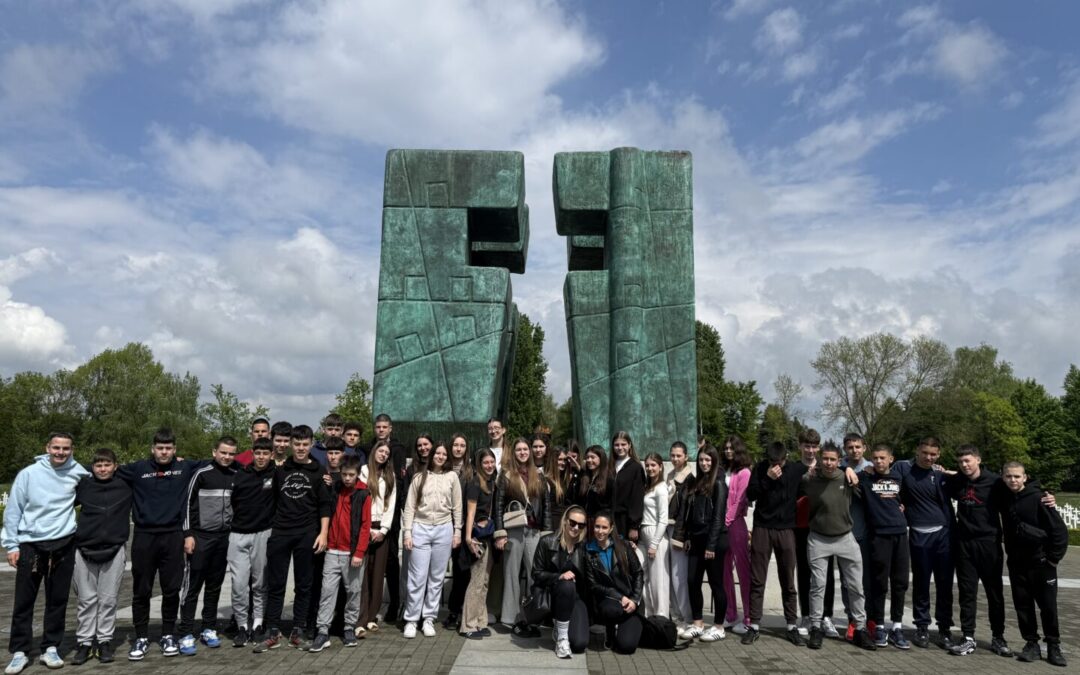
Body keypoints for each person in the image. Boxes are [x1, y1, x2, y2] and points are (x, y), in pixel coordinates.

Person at [116, 428, 209, 661]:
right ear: (153, 449)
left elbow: (219, 461)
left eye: (168, 448)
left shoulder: (184, 467)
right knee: (142, 590)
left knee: (171, 589)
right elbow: (103, 469)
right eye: (160, 448)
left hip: (173, 536)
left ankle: (168, 634)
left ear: (175, 450)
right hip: (144, 537)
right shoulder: (138, 469)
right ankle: (141, 637)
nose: (164, 452)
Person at [3, 432, 89, 674]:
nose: (61, 452)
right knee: (23, 601)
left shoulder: (78, 472)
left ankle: (50, 647)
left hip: (63, 544)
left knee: (58, 600)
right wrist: (12, 545)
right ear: (47, 448)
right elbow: (13, 511)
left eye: (66, 448)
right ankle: (20, 651)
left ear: (72, 450)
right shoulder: (29, 474)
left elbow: (106, 474)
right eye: (56, 448)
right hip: (31, 545)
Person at [253, 425, 332, 653]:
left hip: (307, 534)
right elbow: (272, 497)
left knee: (304, 585)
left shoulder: (318, 471)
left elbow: (324, 505)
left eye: (304, 445)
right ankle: (273, 631)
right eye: (296, 444)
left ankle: (298, 630)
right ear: (290, 445)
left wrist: (323, 533)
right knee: (276, 585)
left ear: (310, 445)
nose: (300, 448)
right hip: (281, 533)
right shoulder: (281, 470)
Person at [801, 443, 875, 651]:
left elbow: (869, 477)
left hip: (845, 538)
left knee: (856, 587)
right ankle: (816, 627)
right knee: (818, 585)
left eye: (833, 459)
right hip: (818, 539)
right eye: (825, 458)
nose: (829, 463)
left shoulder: (847, 477)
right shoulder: (810, 479)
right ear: (820, 458)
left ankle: (860, 629)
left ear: (839, 460)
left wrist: (848, 469)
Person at [944, 444, 1013, 657]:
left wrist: (1045, 495)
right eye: (961, 462)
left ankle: (998, 638)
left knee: (995, 593)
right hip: (964, 545)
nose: (964, 465)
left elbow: (1021, 488)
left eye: (968, 461)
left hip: (989, 544)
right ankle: (968, 637)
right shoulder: (957, 481)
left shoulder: (995, 483)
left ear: (978, 460)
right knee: (967, 593)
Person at [1000, 461, 1068, 667]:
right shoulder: (1004, 497)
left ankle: (1054, 645)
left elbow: (1059, 532)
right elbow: (976, 474)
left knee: (1048, 607)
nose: (1013, 480)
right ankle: (1031, 644)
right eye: (1008, 476)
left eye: (1017, 476)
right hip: (1016, 563)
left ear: (1025, 477)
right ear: (1003, 477)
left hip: (1041, 563)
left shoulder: (1040, 498)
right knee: (1023, 605)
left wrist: (1053, 559)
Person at [178, 436, 239, 655]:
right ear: (214, 452)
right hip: (201, 537)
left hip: (224, 538)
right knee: (192, 586)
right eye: (223, 452)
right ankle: (185, 632)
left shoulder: (235, 476)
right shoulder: (201, 474)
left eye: (231, 454)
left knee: (214, 586)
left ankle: (208, 628)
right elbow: (186, 505)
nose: (227, 457)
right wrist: (188, 534)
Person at [70, 448, 131, 666]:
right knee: (86, 600)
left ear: (115, 466)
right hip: (84, 549)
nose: (102, 469)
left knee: (108, 600)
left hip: (114, 550)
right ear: (92, 467)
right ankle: (85, 642)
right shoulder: (83, 485)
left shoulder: (126, 484)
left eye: (107, 465)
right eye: (98, 465)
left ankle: (104, 641)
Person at [744, 441, 808, 645]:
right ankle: (754, 625)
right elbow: (750, 495)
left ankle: (791, 625)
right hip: (762, 528)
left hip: (786, 529)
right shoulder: (761, 469)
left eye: (778, 462)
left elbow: (817, 469)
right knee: (757, 580)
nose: (775, 466)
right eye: (771, 462)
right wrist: (767, 480)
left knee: (788, 580)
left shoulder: (796, 469)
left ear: (785, 458)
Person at [895, 437, 955, 649]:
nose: (928, 457)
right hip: (919, 534)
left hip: (944, 535)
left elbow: (973, 480)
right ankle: (922, 626)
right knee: (921, 583)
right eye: (925, 453)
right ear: (917, 450)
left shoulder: (939, 474)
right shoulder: (903, 468)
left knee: (945, 584)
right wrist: (898, 505)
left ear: (938, 455)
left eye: (933, 454)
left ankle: (945, 628)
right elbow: (886, 484)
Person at [309, 456, 371, 652]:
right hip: (332, 552)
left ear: (357, 474)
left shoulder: (364, 494)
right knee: (327, 592)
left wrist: (359, 552)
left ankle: (349, 628)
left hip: (351, 553)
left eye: (351, 475)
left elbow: (365, 525)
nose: (347, 478)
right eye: (344, 474)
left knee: (353, 591)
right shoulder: (335, 489)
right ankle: (322, 631)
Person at [401, 441, 462, 638]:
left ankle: (429, 618)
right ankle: (411, 619)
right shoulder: (419, 476)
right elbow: (410, 507)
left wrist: (457, 531)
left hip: (444, 529)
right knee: (417, 578)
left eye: (444, 454)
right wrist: (407, 532)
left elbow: (457, 507)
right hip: (421, 528)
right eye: (438, 453)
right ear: (432, 455)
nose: (441, 456)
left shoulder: (452, 477)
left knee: (436, 578)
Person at [494, 437, 552, 636]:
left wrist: (546, 533)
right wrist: (500, 533)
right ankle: (511, 619)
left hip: (535, 531)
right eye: (518, 449)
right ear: (513, 452)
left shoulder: (539, 476)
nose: (522, 452)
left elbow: (545, 507)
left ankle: (532, 616)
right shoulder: (506, 475)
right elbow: (498, 504)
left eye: (525, 449)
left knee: (534, 575)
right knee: (511, 574)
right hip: (514, 529)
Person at [673, 445, 728, 642]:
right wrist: (687, 536)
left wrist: (711, 545)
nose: (704, 463)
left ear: (714, 462)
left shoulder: (719, 484)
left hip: (713, 540)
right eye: (702, 460)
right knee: (692, 581)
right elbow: (690, 514)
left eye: (708, 460)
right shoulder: (696, 483)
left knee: (716, 583)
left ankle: (719, 626)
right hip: (695, 538)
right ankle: (698, 622)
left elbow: (718, 518)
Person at [859, 444, 910, 649]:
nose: (878, 462)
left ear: (891, 459)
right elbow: (845, 473)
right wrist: (860, 472)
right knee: (879, 583)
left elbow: (910, 499)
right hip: (878, 537)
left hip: (900, 535)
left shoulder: (900, 478)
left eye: (882, 458)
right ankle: (879, 625)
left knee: (900, 582)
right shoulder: (866, 479)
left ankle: (897, 626)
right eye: (875, 458)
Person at [227, 436, 275, 647]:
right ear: (252, 453)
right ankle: (241, 626)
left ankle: (257, 624)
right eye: (258, 453)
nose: (262, 457)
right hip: (237, 535)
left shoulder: (276, 474)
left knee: (260, 583)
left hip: (263, 534)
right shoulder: (239, 475)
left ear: (271, 455)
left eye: (266, 453)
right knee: (239, 585)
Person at [793, 429, 836, 639]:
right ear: (800, 446)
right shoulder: (794, 469)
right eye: (806, 446)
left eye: (814, 446)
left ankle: (826, 616)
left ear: (818, 447)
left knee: (826, 573)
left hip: (823, 527)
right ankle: (807, 615)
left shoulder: (825, 467)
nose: (810, 450)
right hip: (801, 528)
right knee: (804, 572)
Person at [365, 413, 408, 623]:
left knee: (391, 559)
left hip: (390, 514)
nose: (381, 429)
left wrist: (393, 518)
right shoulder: (369, 448)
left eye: (384, 427)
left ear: (390, 428)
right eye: (378, 427)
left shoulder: (398, 450)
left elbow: (399, 480)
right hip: (369, 517)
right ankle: (368, 607)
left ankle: (394, 603)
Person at [532, 506, 590, 658]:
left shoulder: (584, 547)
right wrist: (559, 576)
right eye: (572, 522)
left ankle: (560, 627)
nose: (576, 527)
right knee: (566, 584)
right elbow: (536, 574)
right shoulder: (547, 541)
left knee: (579, 644)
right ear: (565, 521)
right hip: (551, 596)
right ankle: (562, 639)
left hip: (574, 598)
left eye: (581, 525)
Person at [585, 511, 645, 654]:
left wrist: (634, 599)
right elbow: (594, 585)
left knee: (627, 647)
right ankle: (610, 629)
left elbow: (638, 573)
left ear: (611, 528)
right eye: (597, 527)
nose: (600, 531)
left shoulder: (624, 546)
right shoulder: (589, 551)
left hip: (631, 600)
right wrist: (620, 597)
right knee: (610, 610)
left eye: (604, 527)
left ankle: (626, 627)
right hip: (610, 601)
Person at [356, 441, 397, 635]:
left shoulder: (390, 476)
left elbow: (391, 504)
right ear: (374, 452)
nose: (383, 455)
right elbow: (360, 500)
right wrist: (368, 528)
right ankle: (360, 618)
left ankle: (372, 617)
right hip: (365, 527)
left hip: (381, 529)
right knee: (362, 575)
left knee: (377, 575)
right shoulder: (363, 472)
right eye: (381, 451)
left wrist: (384, 530)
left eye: (386, 453)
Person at [460, 449, 498, 639]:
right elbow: (470, 513)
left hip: (489, 536)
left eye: (492, 462)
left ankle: (480, 621)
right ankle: (468, 625)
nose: (490, 465)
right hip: (477, 537)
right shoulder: (475, 484)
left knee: (484, 582)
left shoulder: (491, 483)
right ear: (478, 464)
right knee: (476, 581)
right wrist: (468, 538)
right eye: (486, 462)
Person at [721, 436, 752, 634]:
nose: (728, 451)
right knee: (724, 571)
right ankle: (730, 613)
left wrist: (726, 521)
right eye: (725, 448)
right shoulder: (725, 470)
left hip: (735, 525)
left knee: (743, 571)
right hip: (723, 526)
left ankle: (749, 617)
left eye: (732, 448)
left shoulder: (744, 472)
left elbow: (740, 500)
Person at [444, 433, 473, 631]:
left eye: (462, 445)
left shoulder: (471, 470)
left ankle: (460, 610)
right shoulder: (443, 469)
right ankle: (453, 610)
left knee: (463, 570)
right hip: (445, 523)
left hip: (464, 527)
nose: (458, 448)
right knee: (455, 569)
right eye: (455, 445)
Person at [666, 441, 695, 628]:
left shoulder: (690, 478)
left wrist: (684, 536)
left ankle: (687, 617)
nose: (675, 458)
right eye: (673, 455)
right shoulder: (669, 474)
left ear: (686, 456)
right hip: (666, 528)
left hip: (679, 531)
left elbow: (688, 510)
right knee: (669, 576)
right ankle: (675, 615)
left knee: (679, 577)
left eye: (679, 455)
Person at [639, 453, 669, 617]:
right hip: (644, 534)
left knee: (659, 580)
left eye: (653, 465)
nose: (650, 468)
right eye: (648, 465)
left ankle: (662, 616)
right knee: (641, 574)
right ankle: (649, 613)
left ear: (660, 466)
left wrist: (655, 543)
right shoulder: (648, 487)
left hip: (654, 534)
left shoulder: (661, 489)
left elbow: (663, 519)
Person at [610, 431, 645, 543]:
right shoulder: (610, 465)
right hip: (609, 519)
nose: (620, 448)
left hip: (625, 521)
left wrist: (634, 526)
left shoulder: (636, 468)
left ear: (629, 445)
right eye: (616, 445)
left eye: (623, 444)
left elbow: (637, 498)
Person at [578, 445, 614, 521]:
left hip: (599, 523)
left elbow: (612, 505)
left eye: (592, 457)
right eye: (587, 457)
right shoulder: (584, 478)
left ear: (601, 458)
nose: (589, 460)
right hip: (584, 522)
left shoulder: (609, 479)